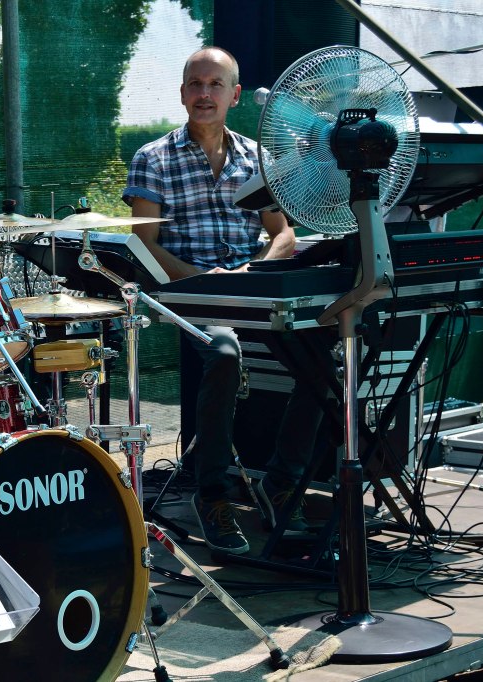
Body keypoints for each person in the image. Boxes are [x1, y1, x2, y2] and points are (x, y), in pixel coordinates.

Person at [123, 46, 325, 555]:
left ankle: (282, 483)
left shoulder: (258, 157)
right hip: (189, 294)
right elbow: (144, 244)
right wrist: (202, 279)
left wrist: (252, 273)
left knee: (327, 356)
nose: (204, 93)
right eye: (195, 83)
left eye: (215, 84)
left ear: (235, 95)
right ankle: (212, 493)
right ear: (182, 93)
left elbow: (283, 235)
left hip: (250, 288)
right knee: (224, 351)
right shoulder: (152, 158)